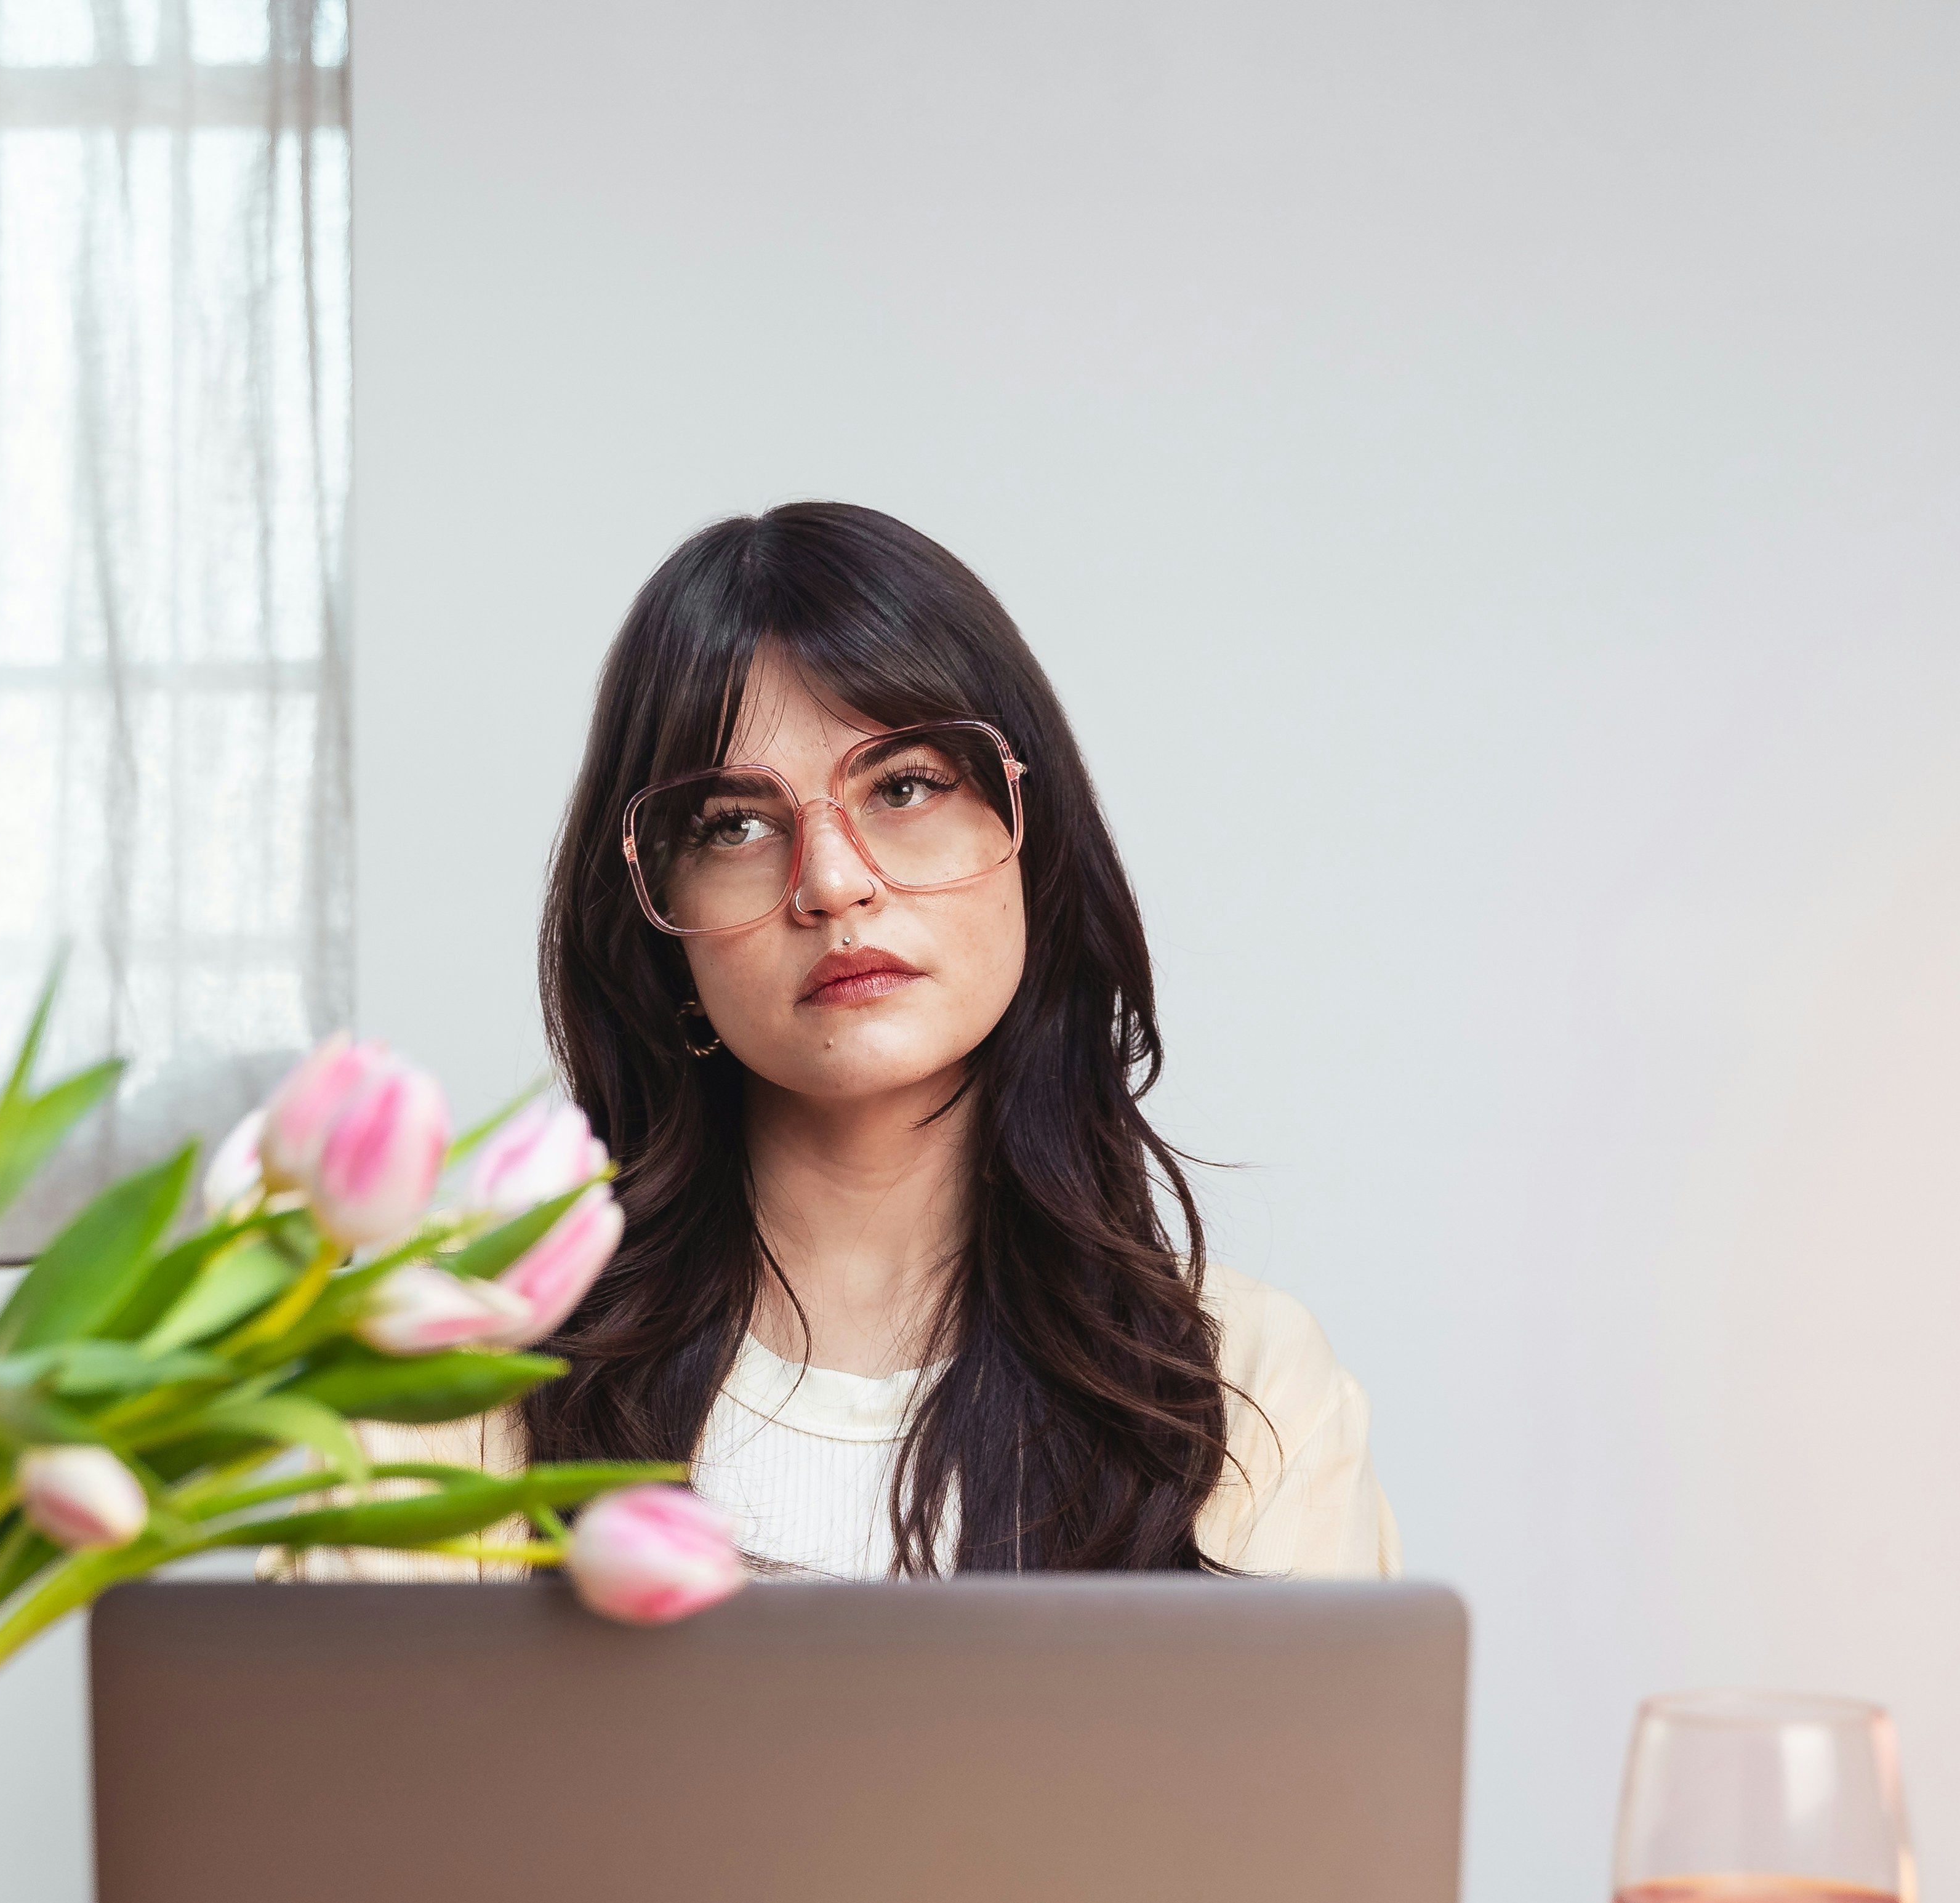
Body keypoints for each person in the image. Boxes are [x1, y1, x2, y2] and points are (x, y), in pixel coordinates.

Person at [329, 501, 1394, 1579]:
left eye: (905, 786)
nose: (832, 882)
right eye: (733, 825)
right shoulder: (448, 1385)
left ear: (1031, 835)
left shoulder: (1247, 1388)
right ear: (661, 921)